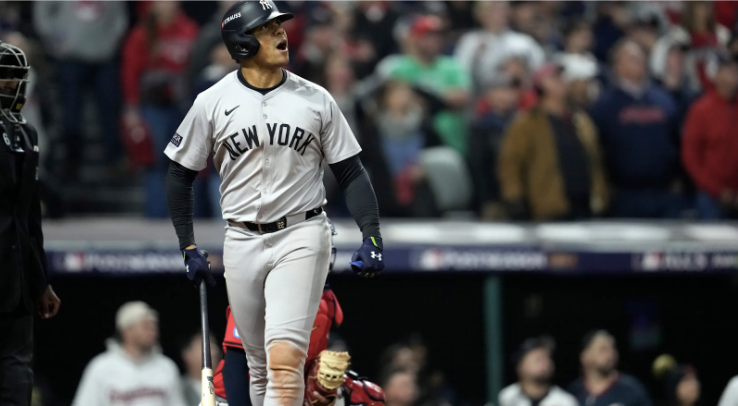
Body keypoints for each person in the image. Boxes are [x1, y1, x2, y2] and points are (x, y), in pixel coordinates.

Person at [165, 3, 385, 406]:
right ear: (242, 41)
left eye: (280, 26)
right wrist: (187, 245)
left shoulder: (315, 98)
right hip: (241, 238)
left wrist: (371, 234)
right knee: (259, 367)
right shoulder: (212, 100)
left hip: (301, 232)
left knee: (284, 363)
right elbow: (179, 173)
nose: (281, 34)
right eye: (267, 29)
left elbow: (351, 171)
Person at [211, 220, 385, 406]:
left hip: (282, 394)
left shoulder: (327, 301)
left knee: (367, 398)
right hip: (232, 398)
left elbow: (305, 365)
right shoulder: (260, 292)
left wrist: (323, 390)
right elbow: (234, 367)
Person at [0, 41, 61, 406]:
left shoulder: (26, 135)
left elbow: (29, 217)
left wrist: (41, 280)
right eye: (3, 75)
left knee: (17, 374)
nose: (10, 83)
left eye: (16, 76)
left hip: (18, 277)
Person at [499, 63, 608, 221]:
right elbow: (510, 164)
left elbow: (596, 161)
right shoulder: (526, 123)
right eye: (554, 78)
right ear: (540, 84)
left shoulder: (581, 121)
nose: (561, 82)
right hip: (548, 208)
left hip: (586, 207)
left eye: (562, 77)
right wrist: (514, 198)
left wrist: (601, 193)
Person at [32, 1, 128, 179]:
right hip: (70, 57)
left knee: (110, 111)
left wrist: (111, 42)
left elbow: (120, 17)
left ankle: (114, 159)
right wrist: (56, 40)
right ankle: (72, 159)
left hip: (104, 57)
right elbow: (42, 14)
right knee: (71, 113)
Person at [121, 1, 199, 218]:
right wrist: (132, 109)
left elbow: (196, 67)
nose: (166, 4)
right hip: (153, 108)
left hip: (184, 108)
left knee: (185, 165)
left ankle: (185, 221)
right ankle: (156, 221)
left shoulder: (189, 29)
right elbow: (130, 74)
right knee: (154, 165)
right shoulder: (141, 34)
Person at [589, 39, 681, 219]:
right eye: (632, 58)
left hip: (664, 191)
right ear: (617, 66)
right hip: (624, 193)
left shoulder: (663, 99)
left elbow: (676, 139)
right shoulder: (604, 105)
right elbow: (596, 149)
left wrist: (678, 176)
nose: (640, 62)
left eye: (641, 57)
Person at [377, 15, 471, 156]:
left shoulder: (452, 66)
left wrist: (424, 97)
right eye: (427, 36)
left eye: (438, 36)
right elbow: (394, 103)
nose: (434, 41)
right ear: (414, 39)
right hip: (411, 143)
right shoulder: (399, 68)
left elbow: (462, 98)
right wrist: (443, 98)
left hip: (451, 141)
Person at [71, 301, 186, 406]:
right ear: (127, 331)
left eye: (154, 325)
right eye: (146, 326)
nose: (153, 330)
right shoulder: (101, 367)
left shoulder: (166, 367)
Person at [682, 57, 738, 219]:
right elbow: (690, 157)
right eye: (730, 71)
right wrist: (716, 189)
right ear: (717, 75)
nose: (734, 77)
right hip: (710, 196)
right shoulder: (700, 110)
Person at [454, 1, 544, 91]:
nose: (501, 13)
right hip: (480, 98)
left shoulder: (523, 42)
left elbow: (540, 71)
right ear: (481, 14)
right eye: (495, 9)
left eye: (504, 9)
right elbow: (461, 74)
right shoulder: (471, 41)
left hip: (520, 96)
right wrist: (476, 58)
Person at [568, 330, 652, 406]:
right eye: (603, 349)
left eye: (613, 348)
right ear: (584, 357)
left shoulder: (631, 389)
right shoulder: (573, 392)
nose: (610, 354)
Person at [499, 336, 577, 406]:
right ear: (520, 367)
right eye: (538, 360)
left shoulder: (565, 401)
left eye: (548, 359)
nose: (545, 363)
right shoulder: (505, 398)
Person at [180, 331, 223, 406]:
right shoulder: (178, 387)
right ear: (187, 354)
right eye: (207, 346)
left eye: (214, 346)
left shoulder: (225, 387)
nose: (214, 352)